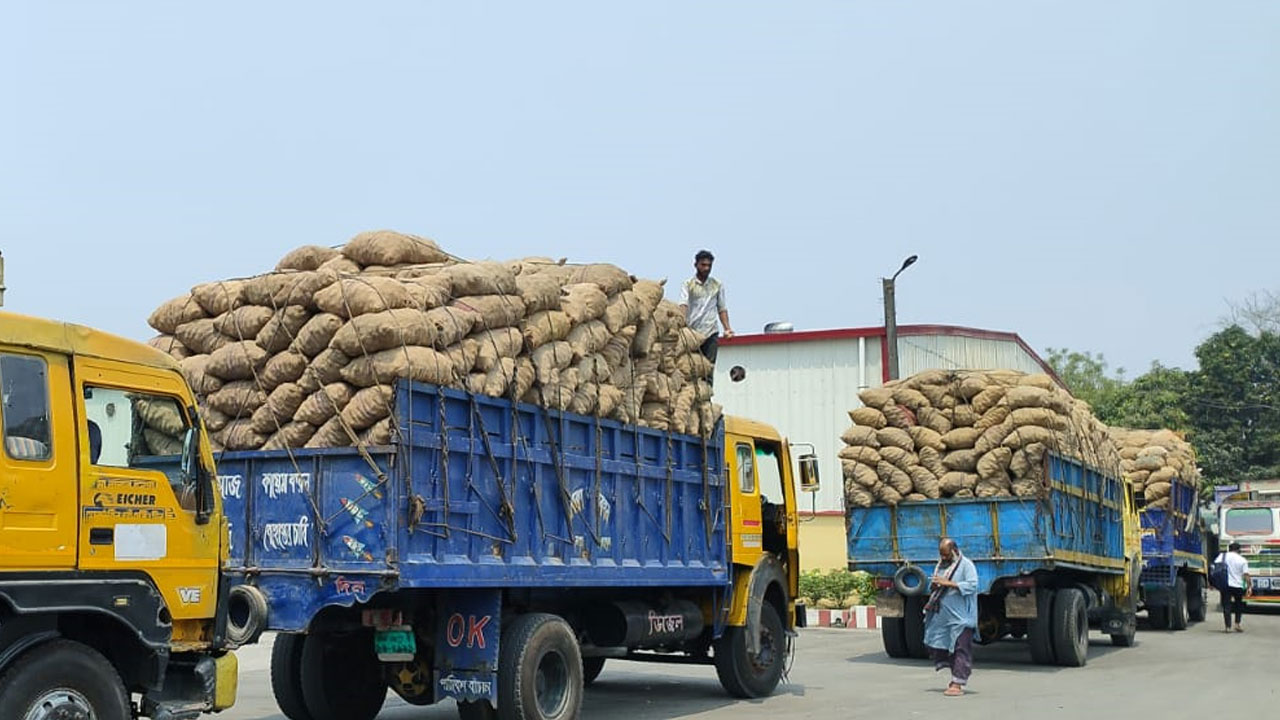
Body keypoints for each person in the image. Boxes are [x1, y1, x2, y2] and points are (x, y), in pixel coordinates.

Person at [923, 537, 979, 697]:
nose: (943, 558)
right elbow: (937, 585)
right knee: (940, 646)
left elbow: (973, 585)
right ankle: (954, 677)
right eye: (941, 555)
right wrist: (935, 585)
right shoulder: (941, 566)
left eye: (946, 555)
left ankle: (957, 683)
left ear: (954, 551)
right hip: (942, 618)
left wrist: (949, 584)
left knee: (961, 648)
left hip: (962, 618)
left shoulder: (966, 565)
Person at [679, 250, 734, 363]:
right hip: (693, 331)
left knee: (708, 367)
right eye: (703, 265)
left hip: (710, 331)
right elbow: (683, 305)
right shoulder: (688, 284)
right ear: (696, 265)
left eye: (709, 265)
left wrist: (727, 329)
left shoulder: (717, 285)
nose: (706, 268)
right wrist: (681, 324)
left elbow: (722, 308)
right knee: (692, 366)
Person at [1215, 541, 1252, 633]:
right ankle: (1237, 624)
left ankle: (1227, 626)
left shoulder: (1222, 557)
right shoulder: (1242, 560)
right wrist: (1249, 587)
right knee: (1238, 605)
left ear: (1229, 549)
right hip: (1238, 585)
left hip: (1225, 584)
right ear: (1239, 550)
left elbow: (1215, 567)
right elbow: (1246, 575)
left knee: (1226, 605)